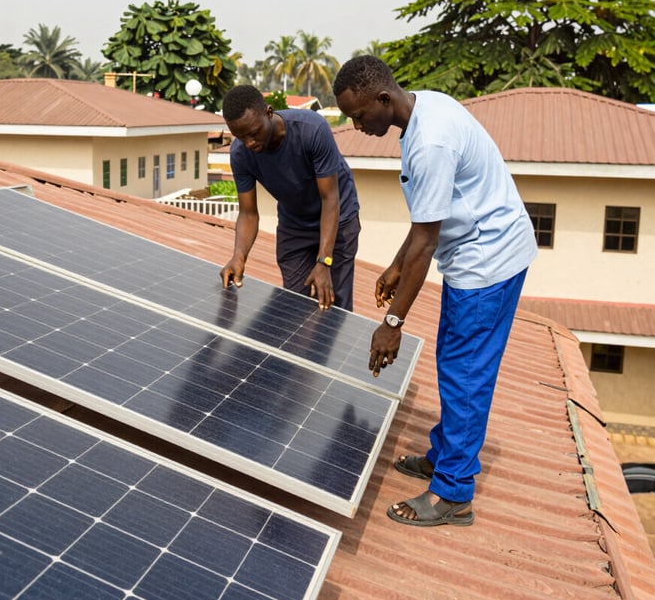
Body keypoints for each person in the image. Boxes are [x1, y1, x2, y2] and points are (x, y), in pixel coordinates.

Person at [333, 56, 537, 526]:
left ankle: (452, 492)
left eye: (360, 114)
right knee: (455, 362)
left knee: (465, 373)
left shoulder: (429, 143)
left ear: (383, 100)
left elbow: (426, 241)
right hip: (485, 252)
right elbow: (427, 219)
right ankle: (446, 453)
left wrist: (392, 324)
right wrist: (394, 265)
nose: (356, 124)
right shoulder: (428, 108)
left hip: (487, 264)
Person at [219, 85, 360, 311]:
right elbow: (248, 213)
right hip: (294, 224)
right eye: (240, 136)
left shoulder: (312, 129)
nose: (249, 143)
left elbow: (330, 199)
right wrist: (239, 256)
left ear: (269, 112)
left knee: (334, 304)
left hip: (338, 219)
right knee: (294, 305)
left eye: (254, 133)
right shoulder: (240, 154)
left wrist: (324, 261)